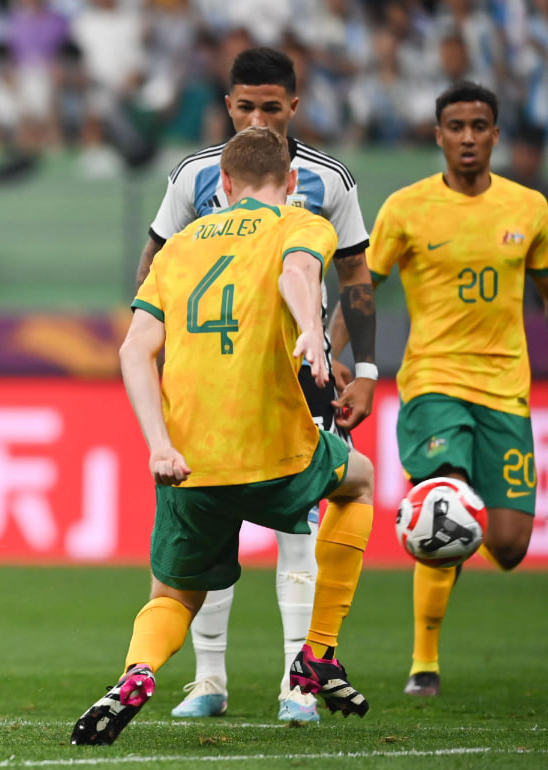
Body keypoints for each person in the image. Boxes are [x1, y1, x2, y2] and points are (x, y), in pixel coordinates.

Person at [71, 126, 374, 746]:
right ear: (290, 183)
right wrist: (311, 330)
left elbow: (134, 350)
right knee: (360, 482)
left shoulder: (177, 249)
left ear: (223, 184)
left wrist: (158, 443)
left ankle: (138, 672)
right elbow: (297, 275)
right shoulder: (301, 223)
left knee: (173, 596)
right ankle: (317, 652)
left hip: (190, 462)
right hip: (278, 453)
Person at [133, 46, 378, 723]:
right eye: (245, 106)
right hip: (213, 374)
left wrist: (362, 370)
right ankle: (208, 679)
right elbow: (154, 264)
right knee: (216, 524)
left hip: (296, 373)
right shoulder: (192, 176)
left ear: (293, 106)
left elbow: (353, 278)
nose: (258, 117)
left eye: (271, 107)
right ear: (227, 106)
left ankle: (295, 680)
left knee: (296, 521)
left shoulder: (327, 180)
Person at [349, 81, 548, 698]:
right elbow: (361, 286)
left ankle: (450, 540)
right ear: (437, 135)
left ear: (495, 134)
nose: (468, 137)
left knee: (511, 543)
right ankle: (423, 662)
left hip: (505, 389)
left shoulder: (530, 209)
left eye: (479, 126)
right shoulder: (406, 208)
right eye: (456, 126)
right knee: (445, 500)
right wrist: (349, 364)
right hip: (433, 381)